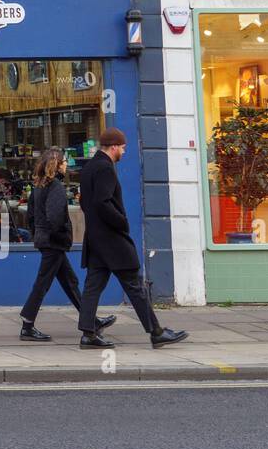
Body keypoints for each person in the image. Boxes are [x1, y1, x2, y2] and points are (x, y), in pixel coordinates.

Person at [77, 128, 188, 350]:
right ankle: (156, 333)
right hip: (112, 240)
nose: (124, 152)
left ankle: (88, 334)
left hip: (96, 239)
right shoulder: (105, 168)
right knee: (135, 286)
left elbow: (84, 203)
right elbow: (102, 202)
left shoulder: (88, 168)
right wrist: (122, 222)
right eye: (123, 148)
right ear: (114, 146)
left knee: (93, 287)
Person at [18, 147, 115, 341]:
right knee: (42, 283)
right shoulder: (55, 187)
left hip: (48, 241)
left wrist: (38, 233)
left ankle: (91, 320)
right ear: (56, 164)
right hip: (54, 243)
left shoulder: (39, 186)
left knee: (70, 282)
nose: (65, 164)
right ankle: (27, 325)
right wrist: (62, 235)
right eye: (63, 161)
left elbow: (30, 215)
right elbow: (55, 218)